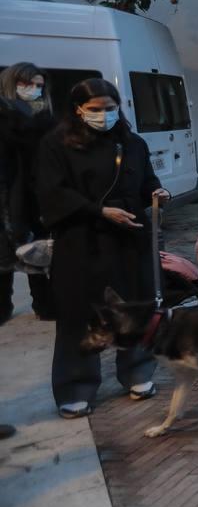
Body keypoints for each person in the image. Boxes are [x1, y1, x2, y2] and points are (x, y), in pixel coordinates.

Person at [36, 78, 169, 418]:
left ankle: (137, 371)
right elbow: (52, 192)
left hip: (131, 238)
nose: (103, 115)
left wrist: (157, 193)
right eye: (95, 110)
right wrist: (99, 211)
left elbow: (147, 181)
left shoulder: (133, 143)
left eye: (110, 109)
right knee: (78, 315)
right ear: (78, 109)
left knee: (135, 307)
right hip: (82, 240)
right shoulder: (56, 145)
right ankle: (75, 387)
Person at [0, 62, 57, 324]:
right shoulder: (4, 119)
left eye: (38, 85)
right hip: (6, 195)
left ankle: (45, 306)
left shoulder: (46, 120)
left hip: (37, 196)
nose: (33, 90)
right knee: (4, 257)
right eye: (27, 84)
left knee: (37, 252)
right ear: (12, 84)